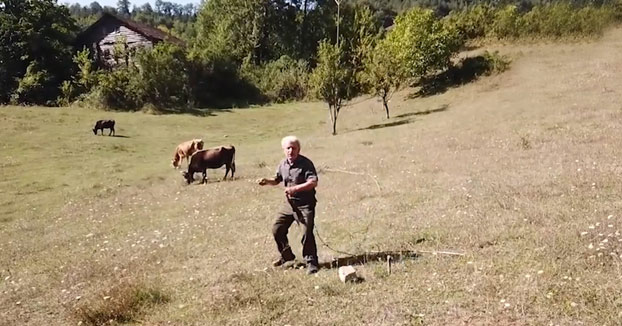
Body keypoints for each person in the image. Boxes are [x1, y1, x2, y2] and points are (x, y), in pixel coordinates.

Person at [258, 136, 319, 275]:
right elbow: (277, 179)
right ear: (284, 150)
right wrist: (267, 181)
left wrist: (295, 189)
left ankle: (311, 262)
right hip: (289, 205)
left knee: (306, 233)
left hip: (305, 205)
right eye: (288, 148)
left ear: (299, 149)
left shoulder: (306, 164)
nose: (291, 151)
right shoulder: (282, 164)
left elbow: (313, 182)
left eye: (294, 148)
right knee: (277, 229)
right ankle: (287, 256)